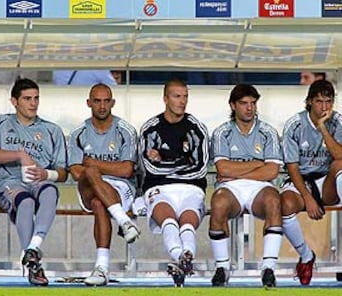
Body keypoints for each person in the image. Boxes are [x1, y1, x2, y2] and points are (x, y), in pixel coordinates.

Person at [0, 78, 67, 286]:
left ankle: (32, 249)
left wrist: (46, 174)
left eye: (36, 98)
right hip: (10, 183)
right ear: (14, 101)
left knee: (50, 190)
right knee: (26, 202)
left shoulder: (52, 130)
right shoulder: (1, 122)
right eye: (27, 99)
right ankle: (34, 262)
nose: (33, 103)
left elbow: (63, 173)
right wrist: (20, 155)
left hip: (38, 181)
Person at [209, 84, 283, 288]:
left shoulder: (268, 132)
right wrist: (258, 163)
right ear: (233, 105)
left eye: (253, 103)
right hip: (231, 188)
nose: (249, 108)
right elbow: (222, 168)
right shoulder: (221, 132)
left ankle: (268, 268)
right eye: (243, 103)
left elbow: (272, 171)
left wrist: (237, 170)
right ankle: (222, 268)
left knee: (274, 200)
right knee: (218, 203)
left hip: (260, 186)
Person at [138, 78, 209, 287]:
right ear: (165, 99)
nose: (182, 101)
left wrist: (165, 157)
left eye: (185, 96)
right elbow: (149, 167)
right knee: (168, 219)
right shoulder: (150, 129)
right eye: (177, 96)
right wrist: (184, 162)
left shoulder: (196, 128)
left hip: (192, 188)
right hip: (159, 188)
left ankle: (181, 259)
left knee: (187, 222)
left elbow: (202, 167)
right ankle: (183, 258)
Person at [67, 83, 140, 286]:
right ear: (88, 103)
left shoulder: (125, 131)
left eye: (106, 101)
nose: (102, 106)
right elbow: (75, 171)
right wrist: (98, 171)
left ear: (113, 103)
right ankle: (124, 222)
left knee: (100, 201)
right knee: (89, 174)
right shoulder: (78, 133)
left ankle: (101, 268)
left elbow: (126, 170)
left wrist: (94, 165)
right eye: (97, 101)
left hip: (120, 188)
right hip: (87, 188)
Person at [280, 79, 342, 285]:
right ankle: (306, 257)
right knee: (285, 205)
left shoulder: (337, 122)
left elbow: (340, 157)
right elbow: (292, 167)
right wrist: (308, 198)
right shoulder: (294, 125)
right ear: (309, 102)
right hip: (302, 179)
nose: (324, 107)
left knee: (338, 165)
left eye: (328, 101)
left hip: (328, 180)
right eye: (319, 101)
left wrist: (323, 128)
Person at [53, 70, 117, 86]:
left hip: (64, 103)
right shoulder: (97, 67)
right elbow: (115, 89)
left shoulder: (57, 66)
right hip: (86, 107)